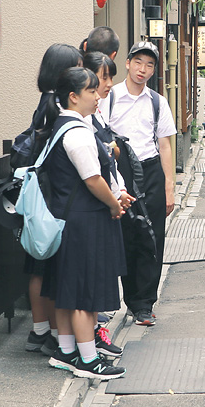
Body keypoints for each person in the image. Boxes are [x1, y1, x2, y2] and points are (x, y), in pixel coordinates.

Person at [40, 66, 133, 380]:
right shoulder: (78, 132)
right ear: (73, 96)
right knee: (84, 294)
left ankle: (66, 351)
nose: (97, 96)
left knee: (68, 291)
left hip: (69, 219)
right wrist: (113, 203)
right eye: (91, 91)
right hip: (85, 220)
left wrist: (116, 195)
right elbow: (93, 179)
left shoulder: (62, 126)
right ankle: (88, 360)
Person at [107, 41, 177, 326]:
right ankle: (129, 298)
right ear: (127, 63)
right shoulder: (110, 97)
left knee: (152, 238)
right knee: (125, 237)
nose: (143, 70)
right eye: (138, 63)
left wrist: (169, 186)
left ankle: (144, 304)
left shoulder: (157, 101)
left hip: (150, 172)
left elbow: (165, 145)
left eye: (149, 65)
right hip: (119, 172)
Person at [23, 43, 82, 357]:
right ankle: (49, 333)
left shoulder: (43, 102)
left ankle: (41, 330)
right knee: (47, 268)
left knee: (39, 267)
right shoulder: (55, 105)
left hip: (41, 194)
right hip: (51, 195)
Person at [81, 51, 127, 359]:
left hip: (107, 201)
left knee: (98, 276)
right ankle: (87, 346)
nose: (107, 84)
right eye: (103, 77)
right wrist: (113, 200)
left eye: (110, 77)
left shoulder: (95, 112)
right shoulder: (79, 122)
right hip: (93, 209)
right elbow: (92, 174)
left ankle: (95, 334)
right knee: (88, 283)